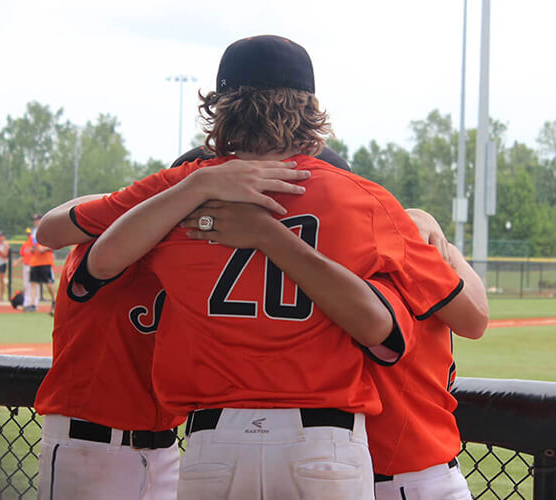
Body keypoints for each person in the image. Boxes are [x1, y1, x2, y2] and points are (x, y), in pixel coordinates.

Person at [71, 35, 478, 500]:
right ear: (309, 109)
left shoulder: (181, 197)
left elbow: (93, 265)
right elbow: (419, 331)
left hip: (213, 442)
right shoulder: (361, 197)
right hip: (324, 439)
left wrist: (197, 195)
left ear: (220, 107)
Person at [34, 165, 314, 500]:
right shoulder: (117, 233)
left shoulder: (205, 252)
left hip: (166, 448)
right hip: (88, 444)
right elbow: (51, 231)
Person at [368, 209, 488, 500]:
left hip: (400, 472)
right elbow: (477, 318)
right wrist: (448, 251)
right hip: (411, 473)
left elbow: (476, 319)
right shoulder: (410, 265)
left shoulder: (348, 268)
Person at [27, 214, 56, 314]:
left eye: (38, 220)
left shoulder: (47, 231)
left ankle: (54, 300)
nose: (36, 222)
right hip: (35, 261)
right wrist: (32, 249)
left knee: (48, 283)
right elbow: (31, 246)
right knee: (33, 283)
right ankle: (33, 304)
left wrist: (44, 248)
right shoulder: (33, 233)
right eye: (35, 220)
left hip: (45, 261)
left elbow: (55, 244)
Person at [19, 227, 35, 310]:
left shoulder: (34, 242)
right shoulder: (25, 244)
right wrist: (17, 262)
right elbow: (22, 255)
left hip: (32, 265)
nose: (28, 235)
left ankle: (32, 303)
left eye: (30, 233)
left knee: (32, 285)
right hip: (25, 265)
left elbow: (37, 250)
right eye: (27, 233)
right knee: (26, 285)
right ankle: (27, 302)